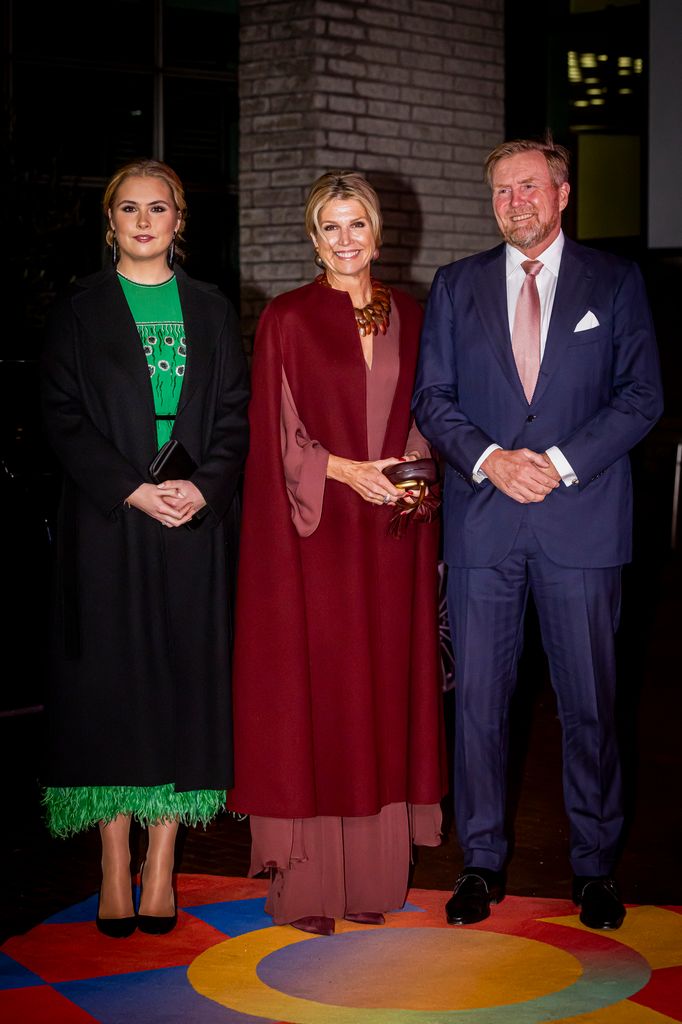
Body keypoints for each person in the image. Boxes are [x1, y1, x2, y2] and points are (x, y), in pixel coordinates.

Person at [413, 137, 663, 931]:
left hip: (581, 526)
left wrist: (553, 462)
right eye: (499, 192)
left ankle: (594, 866)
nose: (513, 202)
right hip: (484, 526)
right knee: (480, 705)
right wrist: (491, 458)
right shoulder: (456, 286)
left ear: (562, 194)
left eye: (527, 187)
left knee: (590, 704)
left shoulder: (616, 283)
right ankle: (481, 864)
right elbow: (433, 399)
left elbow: (640, 398)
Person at [228, 171, 447, 935]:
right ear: (312, 237)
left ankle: (374, 878)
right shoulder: (286, 319)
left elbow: (430, 411)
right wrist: (344, 471)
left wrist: (413, 478)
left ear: (379, 233)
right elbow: (278, 433)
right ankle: (309, 886)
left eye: (358, 225)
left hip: (390, 538)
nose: (345, 239)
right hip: (313, 538)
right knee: (319, 698)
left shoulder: (414, 316)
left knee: (381, 695)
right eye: (331, 226)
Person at [40, 159, 249, 937]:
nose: (142, 220)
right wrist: (131, 488)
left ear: (178, 219)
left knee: (181, 684)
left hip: (194, 524)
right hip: (110, 523)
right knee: (111, 689)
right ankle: (111, 859)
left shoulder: (213, 309)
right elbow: (60, 416)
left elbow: (234, 413)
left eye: (157, 208)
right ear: (111, 220)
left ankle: (162, 861)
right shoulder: (79, 309)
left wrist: (203, 489)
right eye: (127, 208)